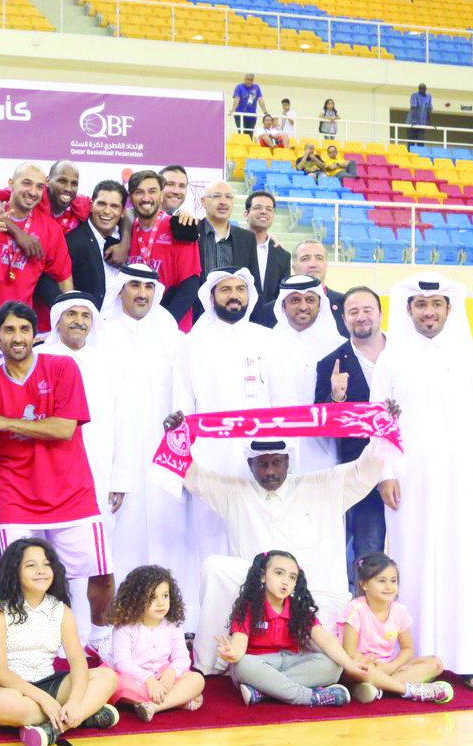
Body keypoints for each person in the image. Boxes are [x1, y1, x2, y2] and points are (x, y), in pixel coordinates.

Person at [166, 411, 397, 676]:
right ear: (250, 465)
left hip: (315, 605)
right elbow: (193, 476)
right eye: (262, 464)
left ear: (289, 461)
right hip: (260, 608)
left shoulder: (323, 486)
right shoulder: (235, 492)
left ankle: (269, 678)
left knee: (333, 665)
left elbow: (365, 470)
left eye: (277, 462)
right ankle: (206, 670)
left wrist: (384, 426)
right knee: (215, 566)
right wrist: (177, 437)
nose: (270, 471)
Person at [0, 302, 115, 659]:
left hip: (71, 492)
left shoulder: (61, 367)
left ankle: (101, 636)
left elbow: (63, 428)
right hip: (18, 500)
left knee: (100, 570)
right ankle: (32, 646)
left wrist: (4, 422)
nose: (18, 337)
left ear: (35, 335)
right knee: (20, 581)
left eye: (24, 329)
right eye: (9, 330)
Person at [372, 273, 473, 692]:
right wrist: (385, 473)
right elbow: (380, 421)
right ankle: (416, 656)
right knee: (410, 564)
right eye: (420, 305)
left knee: (465, 565)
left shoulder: (471, 354)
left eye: (436, 305)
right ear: (408, 310)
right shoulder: (391, 359)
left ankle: (469, 659)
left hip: (463, 481)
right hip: (408, 484)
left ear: (449, 309)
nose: (428, 312)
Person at [172, 267, 274, 627]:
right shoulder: (192, 343)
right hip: (209, 458)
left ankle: (257, 622)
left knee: (256, 538)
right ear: (211, 298)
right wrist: (184, 461)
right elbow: (181, 404)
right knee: (209, 541)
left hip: (258, 459)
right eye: (225, 290)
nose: (234, 296)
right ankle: (208, 623)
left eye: (240, 290)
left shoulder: (267, 338)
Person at [0, 539, 120, 746]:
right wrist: (45, 700)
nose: (41, 571)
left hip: (46, 682)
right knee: (6, 706)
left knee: (108, 677)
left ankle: (54, 728)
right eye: (31, 566)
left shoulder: (60, 610)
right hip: (0, 687)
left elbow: (77, 661)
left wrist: (75, 701)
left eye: (46, 565)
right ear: (14, 571)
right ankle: (86, 714)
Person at [41, 291, 131, 653]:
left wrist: (120, 477)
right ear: (57, 321)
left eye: (85, 315)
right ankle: (55, 637)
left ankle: (100, 636)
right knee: (50, 562)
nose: (78, 321)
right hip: (51, 475)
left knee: (100, 559)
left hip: (98, 475)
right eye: (71, 314)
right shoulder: (41, 357)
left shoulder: (107, 361)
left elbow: (122, 421)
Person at [100, 264, 185, 593]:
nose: (141, 293)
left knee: (169, 536)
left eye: (148, 287)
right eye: (134, 285)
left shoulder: (172, 338)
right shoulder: (103, 335)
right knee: (123, 538)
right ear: (121, 290)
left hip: (164, 458)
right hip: (120, 458)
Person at [218, 551, 366, 707]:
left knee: (334, 666)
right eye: (279, 573)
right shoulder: (248, 607)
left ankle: (264, 691)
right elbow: (239, 645)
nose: (285, 581)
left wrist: (350, 665)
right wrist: (232, 653)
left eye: (292, 577)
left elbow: (326, 640)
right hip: (259, 664)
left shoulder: (299, 608)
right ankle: (310, 697)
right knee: (243, 665)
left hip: (292, 662)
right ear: (263, 576)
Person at [315, 286, 388, 588]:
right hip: (363, 475)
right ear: (343, 319)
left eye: (367, 309)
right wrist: (336, 396)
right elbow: (322, 421)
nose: (361, 317)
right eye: (353, 312)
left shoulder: (407, 355)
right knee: (367, 550)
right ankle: (362, 618)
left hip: (412, 468)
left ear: (381, 314)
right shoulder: (331, 363)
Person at [339, 553, 453, 704]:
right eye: (381, 581)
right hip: (364, 667)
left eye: (393, 581)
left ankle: (378, 689)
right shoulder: (356, 609)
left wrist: (394, 665)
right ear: (364, 584)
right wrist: (369, 663)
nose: (389, 587)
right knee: (362, 672)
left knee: (436, 663)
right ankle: (407, 690)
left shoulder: (400, 611)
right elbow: (350, 652)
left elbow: (407, 648)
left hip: (388, 666)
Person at [0, 163, 72, 330]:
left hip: (18, 330)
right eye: (26, 183)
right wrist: (18, 233)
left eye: (39, 187)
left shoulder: (51, 229)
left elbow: (64, 282)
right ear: (11, 183)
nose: (33, 192)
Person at [266, 274, 345, 473]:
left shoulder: (337, 347)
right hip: (274, 455)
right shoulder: (264, 344)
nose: (303, 307)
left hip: (323, 455)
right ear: (283, 305)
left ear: (320, 304)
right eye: (295, 300)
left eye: (310, 300)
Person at [105, 565, 204, 721]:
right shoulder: (124, 628)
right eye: (152, 597)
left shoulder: (173, 625)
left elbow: (183, 658)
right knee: (116, 685)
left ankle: (154, 706)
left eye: (165, 596)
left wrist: (171, 672)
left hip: (162, 675)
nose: (160, 603)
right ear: (136, 599)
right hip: (134, 676)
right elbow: (122, 663)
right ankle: (177, 701)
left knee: (197, 680)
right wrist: (148, 680)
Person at [109, 170, 200, 332]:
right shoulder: (126, 230)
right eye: (139, 192)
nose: (146, 198)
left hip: (172, 328)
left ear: (161, 195)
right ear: (130, 198)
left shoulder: (180, 228)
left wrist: (165, 324)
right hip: (133, 327)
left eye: (152, 191)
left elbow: (190, 286)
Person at [62, 180, 124, 306]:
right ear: (91, 205)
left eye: (114, 206)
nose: (107, 211)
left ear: (123, 211)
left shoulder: (128, 236)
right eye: (101, 204)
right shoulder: (72, 242)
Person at [194, 182, 257, 305]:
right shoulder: (191, 232)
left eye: (228, 197)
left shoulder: (247, 238)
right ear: (203, 201)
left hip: (234, 313)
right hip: (196, 314)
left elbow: (254, 285)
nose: (223, 202)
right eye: (216, 196)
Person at [244, 191, 289, 328]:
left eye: (269, 209)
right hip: (237, 321)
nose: (264, 212)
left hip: (270, 326)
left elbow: (282, 295)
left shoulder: (283, 255)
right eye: (258, 207)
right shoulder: (233, 245)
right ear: (246, 214)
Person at [290, 240, 347, 336]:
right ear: (294, 267)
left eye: (319, 258)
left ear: (326, 265)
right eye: (305, 258)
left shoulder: (344, 304)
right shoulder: (275, 308)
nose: (313, 264)